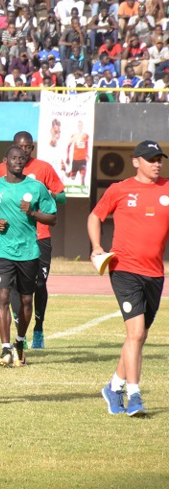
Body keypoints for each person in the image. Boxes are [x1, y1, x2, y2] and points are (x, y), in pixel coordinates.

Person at [91, 141, 169, 417]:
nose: (156, 163)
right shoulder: (120, 189)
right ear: (136, 161)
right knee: (135, 333)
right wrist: (97, 248)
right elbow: (95, 216)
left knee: (139, 336)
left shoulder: (167, 188)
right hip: (124, 269)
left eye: (159, 159)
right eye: (150, 159)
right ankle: (134, 395)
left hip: (155, 274)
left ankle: (114, 387)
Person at [0, 145, 57, 368]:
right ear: (5, 160)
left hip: (29, 252)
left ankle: (20, 342)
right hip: (3, 251)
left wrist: (32, 213)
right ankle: (5, 348)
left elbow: (52, 218)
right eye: (13, 158)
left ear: (26, 161)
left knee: (26, 300)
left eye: (21, 158)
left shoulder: (36, 188)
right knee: (3, 297)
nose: (17, 161)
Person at [0, 130, 66, 348]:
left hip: (39, 237)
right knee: (12, 287)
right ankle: (19, 332)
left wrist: (46, 195)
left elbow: (62, 197)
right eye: (19, 147)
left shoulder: (43, 168)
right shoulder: (1, 169)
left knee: (39, 284)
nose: (24, 151)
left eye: (28, 148)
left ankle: (39, 328)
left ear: (32, 149)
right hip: (10, 238)